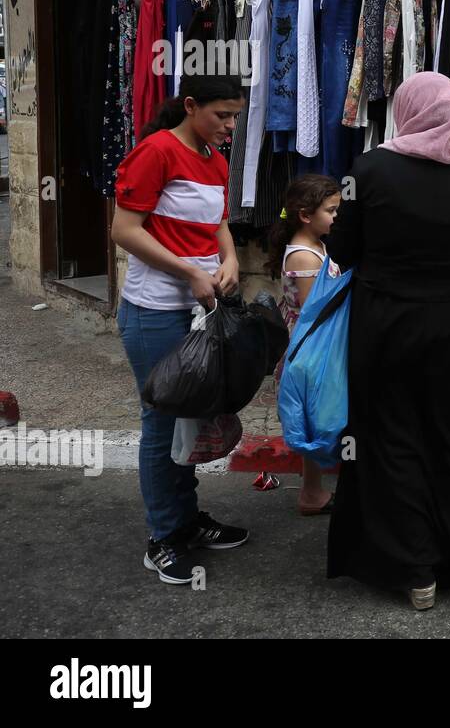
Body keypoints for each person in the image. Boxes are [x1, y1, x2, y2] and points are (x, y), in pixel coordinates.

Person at [325, 72, 450, 611]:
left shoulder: (369, 170)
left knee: (393, 439)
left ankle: (417, 575)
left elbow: (342, 249)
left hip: (385, 325)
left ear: (405, 111)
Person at [111, 72, 250, 585]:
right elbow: (124, 230)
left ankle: (187, 521)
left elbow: (217, 223)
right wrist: (191, 271)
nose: (230, 126)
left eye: (236, 115)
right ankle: (163, 536)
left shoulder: (215, 160)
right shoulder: (155, 152)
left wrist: (229, 258)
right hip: (155, 311)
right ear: (190, 106)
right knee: (162, 423)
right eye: (222, 115)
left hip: (199, 311)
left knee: (190, 418)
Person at [268, 174, 342, 515]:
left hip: (311, 346)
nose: (336, 217)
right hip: (312, 349)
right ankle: (311, 493)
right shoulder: (304, 257)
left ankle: (313, 492)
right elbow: (317, 311)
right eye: (331, 210)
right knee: (316, 417)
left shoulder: (315, 247)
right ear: (305, 214)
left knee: (316, 416)